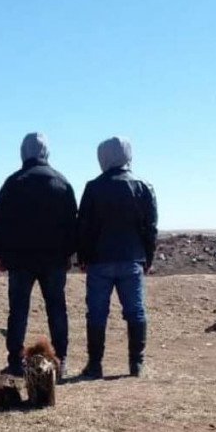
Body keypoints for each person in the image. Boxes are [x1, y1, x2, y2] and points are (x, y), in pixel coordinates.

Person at [0, 133, 77, 378]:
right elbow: (73, 223)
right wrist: (69, 253)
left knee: (18, 311)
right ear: (46, 152)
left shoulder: (13, 183)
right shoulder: (61, 182)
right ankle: (60, 360)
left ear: (23, 152)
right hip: (54, 259)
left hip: (20, 260)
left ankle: (16, 362)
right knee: (57, 309)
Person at [77, 137, 158, 379]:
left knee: (97, 313)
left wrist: (83, 256)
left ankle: (95, 365)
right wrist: (148, 258)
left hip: (99, 259)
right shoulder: (143, 186)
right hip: (132, 257)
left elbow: (84, 226)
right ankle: (137, 364)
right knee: (135, 311)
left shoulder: (93, 187)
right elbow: (150, 227)